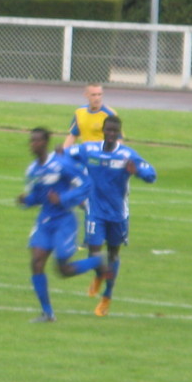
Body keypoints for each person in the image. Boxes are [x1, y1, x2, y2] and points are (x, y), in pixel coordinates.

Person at [17, 127, 110, 323]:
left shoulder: (61, 164)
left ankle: (99, 261)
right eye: (31, 141)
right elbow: (38, 197)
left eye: (37, 141)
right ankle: (47, 313)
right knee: (36, 262)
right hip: (45, 221)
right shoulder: (32, 170)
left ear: (46, 143)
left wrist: (63, 198)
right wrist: (26, 201)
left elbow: (85, 185)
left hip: (64, 220)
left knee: (63, 269)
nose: (33, 144)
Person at [66, 115, 156, 317]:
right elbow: (66, 154)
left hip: (118, 214)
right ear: (104, 131)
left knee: (114, 254)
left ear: (119, 134)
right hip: (95, 211)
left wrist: (139, 172)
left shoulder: (127, 156)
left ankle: (107, 295)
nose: (111, 134)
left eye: (115, 132)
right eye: (109, 130)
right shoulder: (89, 149)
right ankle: (100, 275)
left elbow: (152, 174)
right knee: (94, 253)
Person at [61, 84, 119, 148]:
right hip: (86, 152)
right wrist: (63, 153)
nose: (97, 98)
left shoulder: (109, 114)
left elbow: (118, 139)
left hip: (102, 153)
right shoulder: (80, 112)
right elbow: (73, 135)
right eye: (93, 95)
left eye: (99, 94)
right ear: (86, 95)